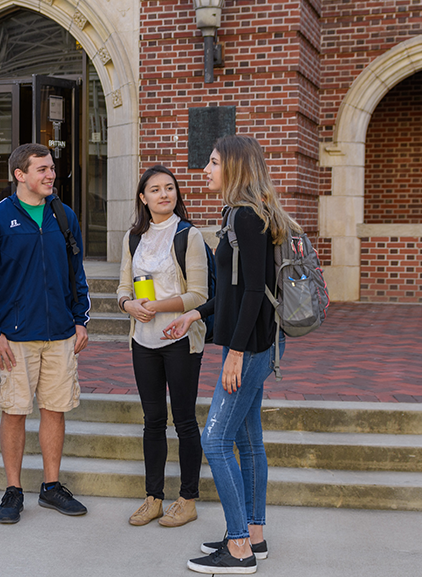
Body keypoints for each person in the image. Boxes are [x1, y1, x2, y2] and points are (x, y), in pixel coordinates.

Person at [164, 135, 295, 575]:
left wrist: (235, 353)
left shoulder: (243, 217)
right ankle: (253, 535)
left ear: (235, 167)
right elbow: (235, 292)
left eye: (214, 161)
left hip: (249, 347)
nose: (206, 169)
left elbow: (255, 291)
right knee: (247, 439)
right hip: (257, 342)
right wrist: (195, 314)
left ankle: (238, 547)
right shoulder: (253, 213)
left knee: (216, 441)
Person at [0, 143, 91, 525]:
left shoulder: (64, 215)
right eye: (41, 169)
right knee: (14, 412)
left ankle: (52, 486)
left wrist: (80, 320)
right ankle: (13, 490)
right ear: (19, 175)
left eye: (52, 168)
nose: (50, 175)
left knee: (54, 410)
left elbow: (77, 272)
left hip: (60, 333)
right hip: (14, 338)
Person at [115, 165, 208, 528]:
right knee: (153, 421)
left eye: (169, 188)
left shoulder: (189, 235)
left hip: (180, 339)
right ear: (143, 197)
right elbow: (123, 286)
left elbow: (199, 294)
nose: (163, 194)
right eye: (155, 189)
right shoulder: (133, 237)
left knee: (184, 420)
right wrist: (129, 305)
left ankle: (187, 499)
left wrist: (158, 306)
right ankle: (153, 498)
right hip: (143, 340)